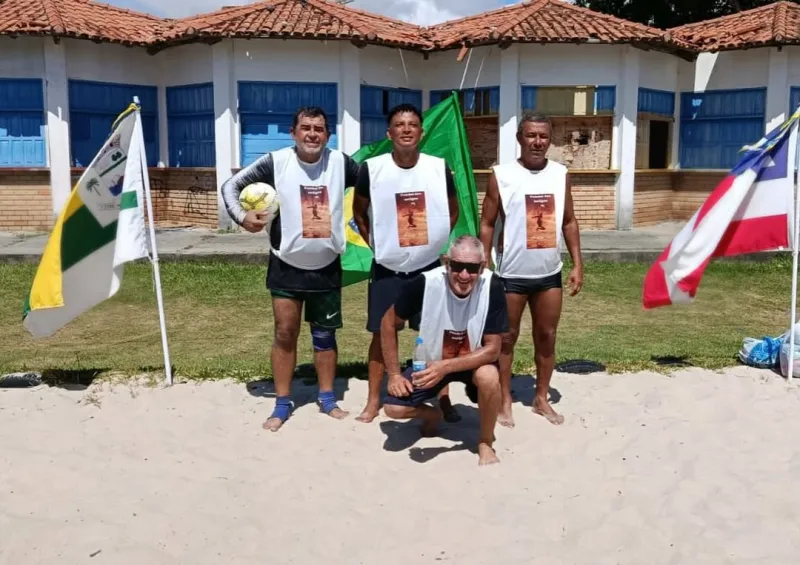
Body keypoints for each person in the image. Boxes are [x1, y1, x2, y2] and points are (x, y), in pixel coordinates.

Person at [222, 106, 360, 432]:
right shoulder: (276, 161)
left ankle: (327, 399)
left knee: (325, 336)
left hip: (326, 265)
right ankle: (282, 403)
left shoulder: (341, 163)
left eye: (320, 129)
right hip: (286, 264)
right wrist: (243, 218)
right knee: (285, 333)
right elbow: (230, 186)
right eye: (306, 128)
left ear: (328, 134)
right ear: (294, 132)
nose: (312, 134)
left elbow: (374, 184)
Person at [352, 103, 460, 424]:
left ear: (421, 132)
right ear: (390, 133)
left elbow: (452, 210)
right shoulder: (372, 169)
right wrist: (377, 244)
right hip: (388, 266)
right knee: (381, 332)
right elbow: (360, 213)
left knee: (434, 336)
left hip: (428, 267)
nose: (406, 129)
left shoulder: (437, 167)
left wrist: (436, 242)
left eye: (413, 124)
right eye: (400, 124)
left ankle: (443, 399)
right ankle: (373, 401)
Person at [479, 112, 584, 428]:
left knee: (547, 336)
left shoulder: (560, 174)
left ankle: (541, 399)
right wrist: (484, 260)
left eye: (543, 136)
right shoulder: (502, 175)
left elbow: (569, 221)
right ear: (519, 138)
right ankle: (506, 399)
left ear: (550, 140)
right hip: (511, 274)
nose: (537, 142)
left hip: (548, 274)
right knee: (507, 338)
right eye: (531, 135)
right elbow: (486, 223)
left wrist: (578, 264)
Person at [380, 235, 507, 466]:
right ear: (446, 262)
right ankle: (432, 414)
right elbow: (388, 322)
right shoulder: (425, 283)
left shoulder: (493, 286)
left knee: (489, 377)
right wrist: (394, 374)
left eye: (472, 268)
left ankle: (485, 442)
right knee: (393, 408)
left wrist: (445, 367)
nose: (465, 275)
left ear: (482, 265)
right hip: (431, 363)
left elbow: (492, 350)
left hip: (472, 362)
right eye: (458, 266)